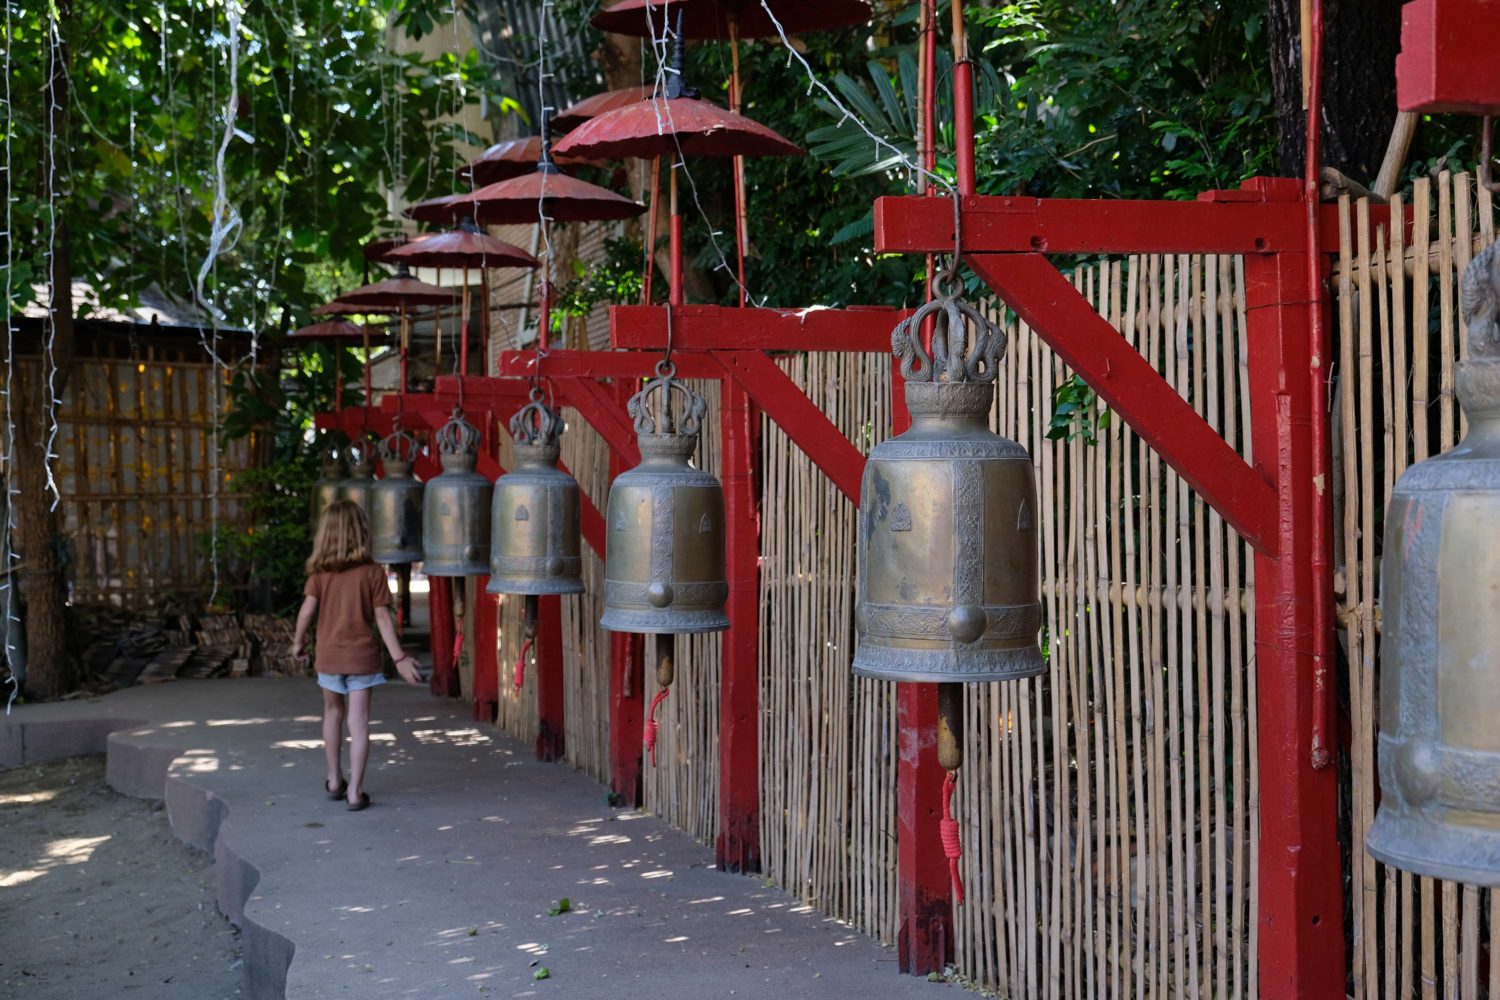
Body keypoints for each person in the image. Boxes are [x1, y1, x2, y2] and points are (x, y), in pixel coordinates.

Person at [291, 500, 421, 811]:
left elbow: (307, 611)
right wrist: (399, 657)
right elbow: (382, 618)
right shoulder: (372, 572)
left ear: (326, 535)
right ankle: (355, 793)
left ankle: (335, 780)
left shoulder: (320, 573)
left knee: (332, 714)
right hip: (362, 657)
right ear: (362, 532)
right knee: (359, 721)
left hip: (329, 655)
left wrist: (297, 643)